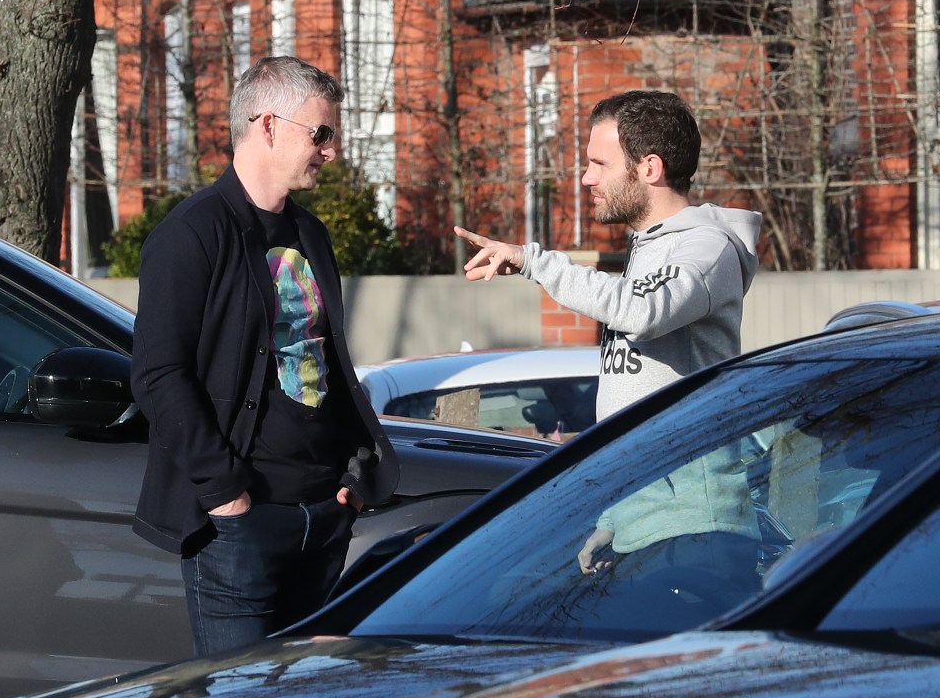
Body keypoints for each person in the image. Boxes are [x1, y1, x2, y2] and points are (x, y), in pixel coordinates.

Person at [130, 56, 398, 656]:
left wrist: (354, 473)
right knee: (240, 693)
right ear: (269, 125)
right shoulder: (193, 233)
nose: (332, 150)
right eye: (321, 133)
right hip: (240, 525)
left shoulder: (311, 235)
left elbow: (327, 362)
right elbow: (157, 375)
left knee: (310, 694)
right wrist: (227, 493)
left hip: (324, 514)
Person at [454, 90, 762, 580]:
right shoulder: (649, 250)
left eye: (599, 163)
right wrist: (614, 519)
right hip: (645, 529)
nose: (586, 178)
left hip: (696, 532)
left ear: (649, 168)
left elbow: (641, 310)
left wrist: (535, 260)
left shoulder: (707, 249)